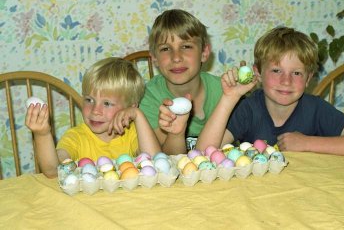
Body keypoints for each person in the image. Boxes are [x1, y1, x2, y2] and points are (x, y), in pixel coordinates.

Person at [196, 27, 344, 156]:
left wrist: (307, 143)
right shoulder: (248, 108)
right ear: (258, 72)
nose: (286, 81)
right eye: (276, 71)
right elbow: (203, 153)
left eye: (297, 73)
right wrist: (229, 98)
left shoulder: (315, 108)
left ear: (308, 78)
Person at [25, 57, 161, 178]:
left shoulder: (133, 134)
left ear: (130, 107)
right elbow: (53, 171)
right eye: (89, 100)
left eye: (107, 103)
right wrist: (42, 134)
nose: (95, 111)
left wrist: (137, 114)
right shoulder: (76, 137)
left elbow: (156, 162)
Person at [138, 9, 222, 155]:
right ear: (154, 58)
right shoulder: (148, 98)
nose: (176, 57)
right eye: (165, 49)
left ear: (204, 53)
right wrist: (176, 134)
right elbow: (167, 161)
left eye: (186, 46)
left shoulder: (223, 91)